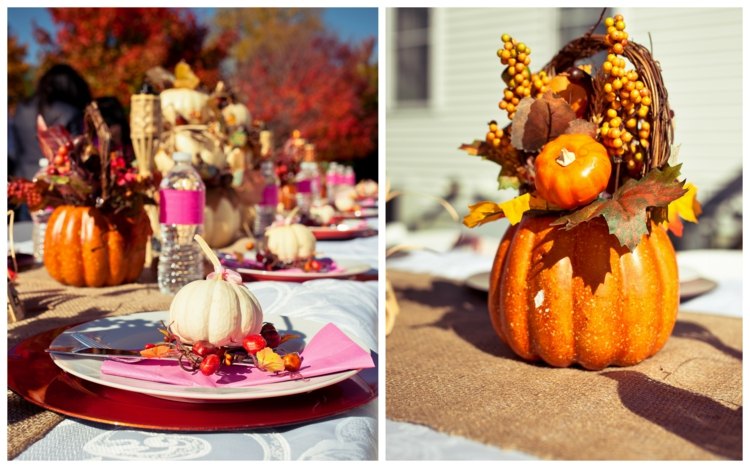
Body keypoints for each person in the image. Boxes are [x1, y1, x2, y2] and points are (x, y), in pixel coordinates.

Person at [9, 63, 92, 181]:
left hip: (25, 176)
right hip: (59, 182)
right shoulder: (71, 113)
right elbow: (77, 156)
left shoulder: (22, 109)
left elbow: (16, 150)